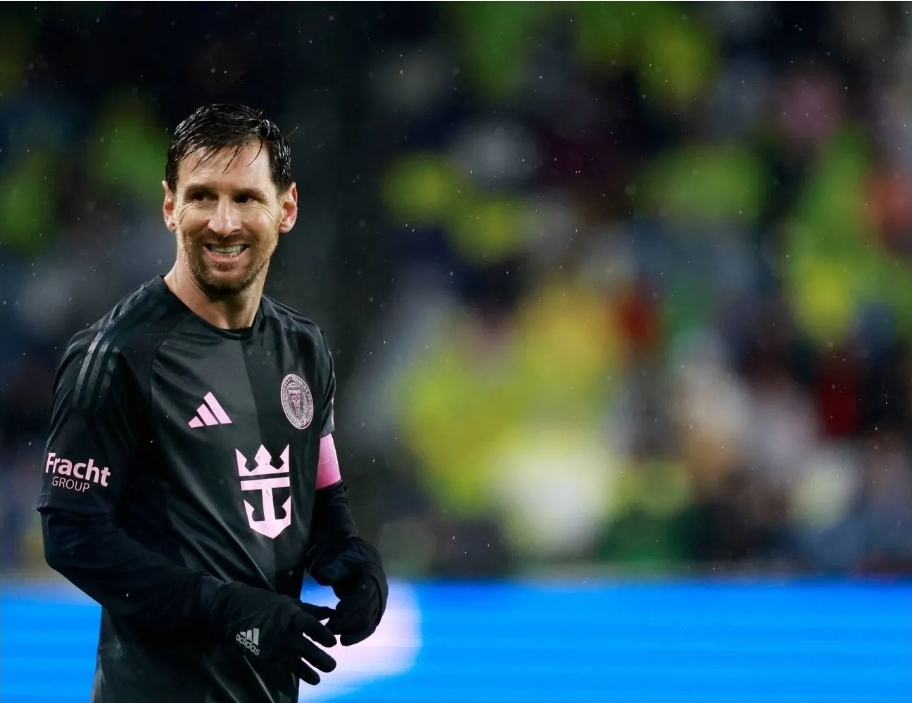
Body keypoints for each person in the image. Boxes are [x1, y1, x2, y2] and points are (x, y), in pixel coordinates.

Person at [37, 104, 388, 703]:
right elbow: (73, 536)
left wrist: (351, 557)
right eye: (202, 197)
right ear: (170, 206)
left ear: (287, 208)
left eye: (246, 198)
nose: (223, 223)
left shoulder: (304, 349)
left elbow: (321, 496)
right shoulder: (116, 355)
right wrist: (227, 610)